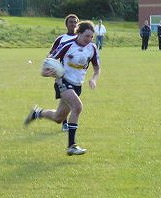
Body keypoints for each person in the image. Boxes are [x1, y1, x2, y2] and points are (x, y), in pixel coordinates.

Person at [24, 21, 101, 156]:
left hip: (77, 85)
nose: (89, 39)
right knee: (77, 107)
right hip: (63, 81)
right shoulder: (67, 45)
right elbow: (49, 60)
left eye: (91, 37)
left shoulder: (92, 48)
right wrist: (44, 72)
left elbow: (97, 68)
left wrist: (93, 79)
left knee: (58, 117)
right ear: (79, 33)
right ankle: (72, 146)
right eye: (86, 36)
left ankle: (37, 113)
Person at [49, 13, 79, 132]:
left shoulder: (81, 38)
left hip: (76, 75)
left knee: (69, 101)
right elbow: (51, 54)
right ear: (66, 24)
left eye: (75, 22)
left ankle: (40, 114)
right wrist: (51, 67)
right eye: (71, 22)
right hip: (63, 75)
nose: (73, 24)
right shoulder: (61, 39)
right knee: (66, 99)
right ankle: (65, 123)